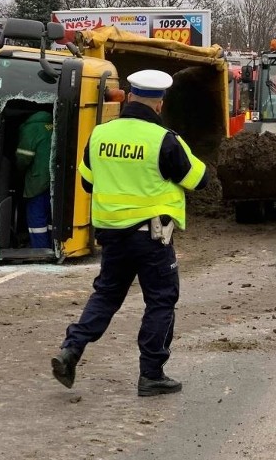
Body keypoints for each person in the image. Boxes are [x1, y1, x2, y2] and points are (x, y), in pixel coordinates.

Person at [51, 69, 208, 397]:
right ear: (159, 104)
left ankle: (71, 350)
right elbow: (198, 179)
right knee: (161, 300)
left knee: (106, 295)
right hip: (151, 237)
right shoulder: (164, 140)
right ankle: (151, 374)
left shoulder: (100, 135)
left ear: (129, 96)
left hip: (111, 235)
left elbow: (86, 181)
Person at [15, 110, 54, 248]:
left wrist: (18, 172)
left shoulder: (31, 128)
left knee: (36, 217)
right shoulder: (53, 125)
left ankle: (40, 249)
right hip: (54, 181)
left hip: (37, 181)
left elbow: (23, 158)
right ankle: (52, 247)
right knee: (51, 218)